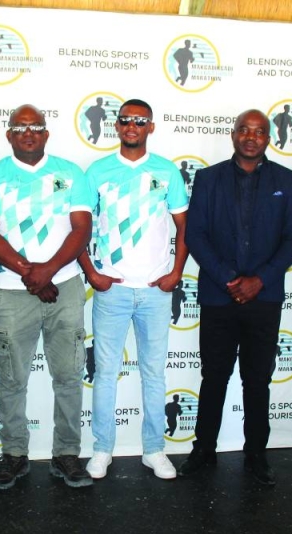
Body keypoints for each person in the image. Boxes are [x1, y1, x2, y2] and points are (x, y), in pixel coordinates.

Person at [177, 109, 292, 486]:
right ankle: (204, 449)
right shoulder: (208, 178)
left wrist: (259, 280)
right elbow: (196, 235)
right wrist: (230, 279)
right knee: (213, 376)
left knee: (257, 379)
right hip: (219, 296)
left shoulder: (286, 180)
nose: (251, 137)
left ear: (269, 138)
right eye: (244, 130)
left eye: (259, 131)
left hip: (264, 298)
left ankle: (256, 454)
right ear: (233, 135)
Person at [0, 104, 95, 490]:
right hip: (13, 292)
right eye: (19, 127)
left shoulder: (70, 172)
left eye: (35, 127)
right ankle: (14, 454)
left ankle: (67, 454)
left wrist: (49, 270)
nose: (28, 133)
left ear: (46, 133)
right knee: (12, 378)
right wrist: (30, 272)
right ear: (8, 135)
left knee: (69, 375)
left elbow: (81, 229)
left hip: (66, 287)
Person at [80, 99, 189, 480]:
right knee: (105, 373)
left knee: (154, 374)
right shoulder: (97, 171)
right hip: (112, 290)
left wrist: (176, 272)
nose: (132, 126)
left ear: (150, 127)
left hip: (156, 291)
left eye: (140, 121)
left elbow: (184, 225)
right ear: (117, 125)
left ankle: (154, 449)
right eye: (126, 120)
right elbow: (78, 226)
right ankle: (102, 449)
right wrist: (92, 273)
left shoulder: (167, 171)